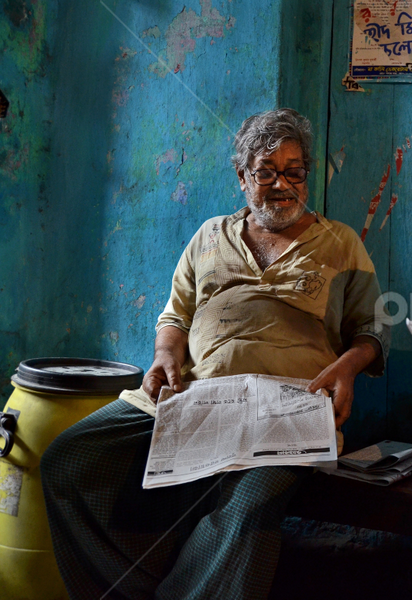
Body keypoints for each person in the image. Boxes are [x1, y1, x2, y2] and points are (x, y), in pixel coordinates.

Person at [40, 109, 390, 600]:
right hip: (194, 394)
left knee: (246, 505)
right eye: (266, 171)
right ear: (242, 176)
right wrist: (164, 357)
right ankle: (134, 589)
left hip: (289, 405)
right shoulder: (209, 236)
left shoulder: (340, 243)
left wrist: (349, 368)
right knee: (68, 460)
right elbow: (175, 317)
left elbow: (373, 329)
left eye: (295, 171)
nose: (282, 184)